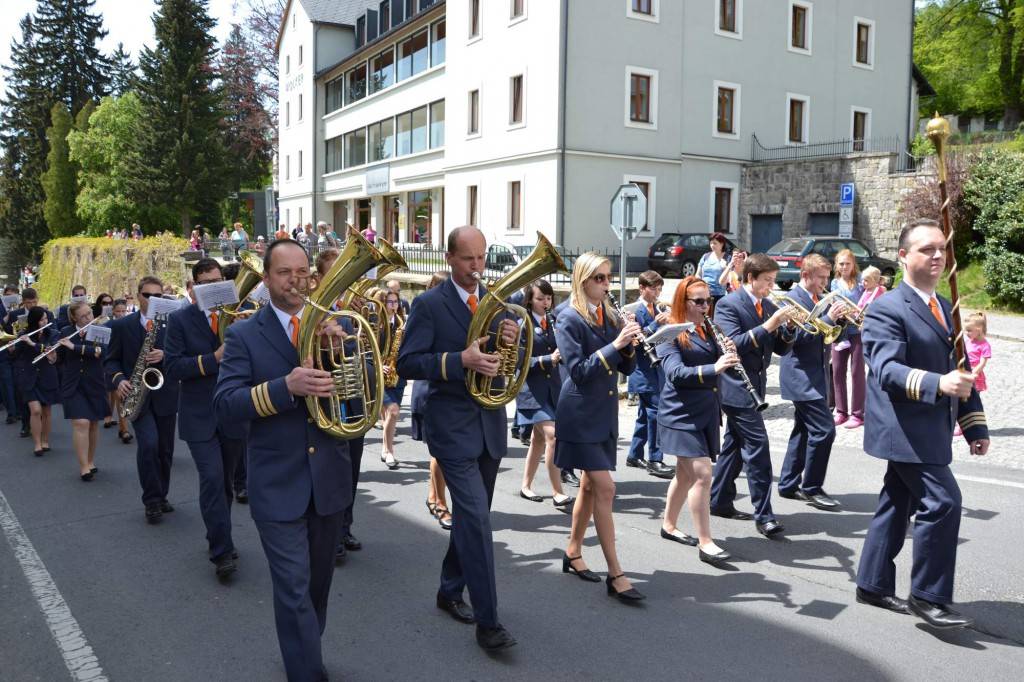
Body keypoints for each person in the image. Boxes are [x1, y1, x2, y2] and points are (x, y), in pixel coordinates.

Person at [214, 239, 353, 680]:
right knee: (293, 589)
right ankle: (307, 671)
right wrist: (283, 388)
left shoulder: (331, 326)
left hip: (328, 478)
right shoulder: (243, 335)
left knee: (316, 588)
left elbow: (359, 393)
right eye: (285, 273)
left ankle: (304, 650)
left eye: (303, 272)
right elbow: (226, 403)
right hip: (277, 483)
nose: (297, 281)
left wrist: (346, 352)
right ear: (267, 279)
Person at [856, 219, 989, 629]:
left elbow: (961, 370)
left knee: (897, 504)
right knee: (943, 502)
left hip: (930, 427)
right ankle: (928, 596)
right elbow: (886, 370)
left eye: (941, 249)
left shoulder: (945, 307)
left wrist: (974, 425)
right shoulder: (886, 308)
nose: (937, 256)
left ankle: (873, 584)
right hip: (903, 430)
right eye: (926, 249)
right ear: (903, 257)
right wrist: (937, 383)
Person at [396, 226, 519, 651]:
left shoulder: (496, 303)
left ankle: (449, 590)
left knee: (471, 518)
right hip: (450, 427)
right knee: (479, 522)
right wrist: (458, 360)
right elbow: (407, 362)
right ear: (449, 258)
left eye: (481, 258)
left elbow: (504, 363)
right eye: (468, 259)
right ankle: (489, 623)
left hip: (489, 424)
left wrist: (510, 344)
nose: (477, 267)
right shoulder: (429, 304)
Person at [554, 252, 645, 603]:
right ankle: (616, 574)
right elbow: (578, 370)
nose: (607, 285)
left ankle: (573, 551)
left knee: (591, 489)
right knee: (605, 489)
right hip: (579, 414)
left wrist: (630, 346)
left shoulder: (607, 314)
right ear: (583, 280)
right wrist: (616, 344)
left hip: (603, 412)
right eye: (600, 279)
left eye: (608, 278)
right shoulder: (568, 318)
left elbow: (625, 370)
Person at [165, 258, 245, 579]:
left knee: (225, 482)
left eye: (218, 280)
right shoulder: (180, 320)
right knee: (212, 480)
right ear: (194, 287)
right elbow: (173, 368)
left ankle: (220, 534)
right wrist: (212, 359)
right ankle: (221, 551)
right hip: (199, 414)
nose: (214, 286)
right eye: (207, 282)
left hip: (232, 413)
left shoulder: (238, 316)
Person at [709, 254, 795, 537]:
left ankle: (720, 500)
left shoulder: (768, 305)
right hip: (735, 387)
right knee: (758, 449)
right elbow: (732, 345)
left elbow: (781, 350)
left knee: (734, 446)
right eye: (767, 281)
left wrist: (789, 329)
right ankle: (764, 515)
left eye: (773, 280)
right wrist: (770, 325)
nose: (772, 286)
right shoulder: (727, 305)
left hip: (755, 386)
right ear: (750, 278)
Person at [657, 276, 738, 564]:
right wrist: (714, 366)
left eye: (709, 300)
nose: (707, 306)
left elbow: (717, 365)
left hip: (705, 411)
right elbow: (675, 373)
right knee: (703, 474)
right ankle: (706, 542)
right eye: (700, 301)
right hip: (680, 413)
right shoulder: (668, 332)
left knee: (686, 474)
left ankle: (668, 524)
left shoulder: (706, 329)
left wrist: (728, 353)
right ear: (684, 302)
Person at [777, 254, 850, 511]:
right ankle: (812, 487)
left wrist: (839, 321)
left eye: (826, 277)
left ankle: (787, 483)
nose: (824, 282)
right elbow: (796, 339)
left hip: (817, 375)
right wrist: (828, 319)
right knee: (825, 430)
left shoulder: (818, 299)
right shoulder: (793, 300)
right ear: (805, 276)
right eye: (820, 277)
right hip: (800, 377)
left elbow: (826, 338)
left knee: (804, 430)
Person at [105, 277, 180, 523]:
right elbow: (111, 361)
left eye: (159, 296)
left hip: (165, 393)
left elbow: (185, 356)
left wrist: (166, 354)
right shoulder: (122, 326)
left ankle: (162, 494)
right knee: (149, 445)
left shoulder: (172, 324)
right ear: (138, 296)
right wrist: (119, 380)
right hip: (137, 395)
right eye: (149, 295)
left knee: (165, 450)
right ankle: (151, 500)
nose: (154, 301)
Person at [516, 279, 574, 513]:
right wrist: (546, 359)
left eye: (549, 298)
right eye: (541, 298)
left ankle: (525, 485)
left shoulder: (554, 322)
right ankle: (557, 492)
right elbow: (519, 362)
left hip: (552, 389)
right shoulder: (523, 324)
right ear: (530, 300)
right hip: (531, 391)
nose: (546, 302)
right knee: (553, 437)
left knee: (538, 441)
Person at [409, 270, 453, 531]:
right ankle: (440, 502)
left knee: (439, 452)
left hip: (444, 391)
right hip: (428, 391)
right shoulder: (426, 312)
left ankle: (433, 496)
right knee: (440, 453)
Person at [624, 270, 674, 479]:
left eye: (659, 288)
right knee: (656, 413)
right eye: (653, 288)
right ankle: (655, 459)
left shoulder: (657, 308)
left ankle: (635, 454)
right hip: (642, 371)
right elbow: (637, 337)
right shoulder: (631, 310)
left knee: (645, 414)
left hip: (656, 370)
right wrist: (657, 324)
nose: (657, 292)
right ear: (642, 288)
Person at [55, 301, 108, 479]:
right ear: (74, 318)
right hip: (73, 384)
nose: (88, 318)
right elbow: (60, 360)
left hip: (94, 383)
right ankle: (83, 466)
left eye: (89, 314)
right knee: (81, 423)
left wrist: (74, 347)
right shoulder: (66, 333)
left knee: (93, 423)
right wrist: (52, 355)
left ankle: (90, 460)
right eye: (83, 316)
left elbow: (100, 352)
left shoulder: (101, 330)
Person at [11, 307, 59, 456]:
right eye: (41, 319)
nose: (45, 322)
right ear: (34, 321)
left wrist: (33, 344)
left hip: (47, 376)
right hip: (29, 377)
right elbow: (15, 356)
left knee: (46, 411)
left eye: (46, 319)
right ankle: (37, 443)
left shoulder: (52, 334)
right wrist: (12, 347)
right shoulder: (24, 335)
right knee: (36, 410)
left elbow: (52, 355)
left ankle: (45, 440)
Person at [830, 249, 866, 429]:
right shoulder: (834, 283)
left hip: (857, 331)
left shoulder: (861, 281)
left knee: (857, 372)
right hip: (840, 331)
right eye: (841, 263)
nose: (844, 267)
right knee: (837, 371)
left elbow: (871, 299)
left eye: (847, 263)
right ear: (837, 265)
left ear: (853, 264)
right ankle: (841, 411)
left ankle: (858, 413)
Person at [379, 289, 407, 471]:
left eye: (396, 301)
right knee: (394, 412)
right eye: (390, 302)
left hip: (397, 375)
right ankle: (389, 451)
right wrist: (379, 365)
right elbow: (367, 348)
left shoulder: (401, 323)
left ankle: (384, 448)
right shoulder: (377, 323)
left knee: (390, 416)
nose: (393, 305)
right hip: (380, 375)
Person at [956, 312, 991, 437]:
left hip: (975, 377)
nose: (966, 333)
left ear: (979, 330)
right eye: (965, 330)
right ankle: (960, 423)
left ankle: (967, 426)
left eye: (969, 330)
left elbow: (982, 363)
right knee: (960, 398)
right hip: (965, 373)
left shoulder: (985, 345)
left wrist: (972, 373)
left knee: (970, 401)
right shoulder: (968, 341)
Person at [105, 299, 132, 442]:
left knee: (125, 397)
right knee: (120, 396)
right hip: (115, 365)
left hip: (128, 363)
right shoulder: (108, 324)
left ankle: (123, 427)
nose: (121, 314)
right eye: (118, 311)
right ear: (113, 312)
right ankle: (125, 429)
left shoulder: (131, 324)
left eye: (124, 311)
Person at [696, 232, 730, 306]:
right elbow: (698, 274)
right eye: (711, 243)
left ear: (722, 244)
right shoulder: (705, 256)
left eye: (715, 243)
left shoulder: (728, 258)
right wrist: (700, 284)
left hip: (719, 296)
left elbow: (729, 279)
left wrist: (725, 268)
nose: (712, 245)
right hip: (704, 294)